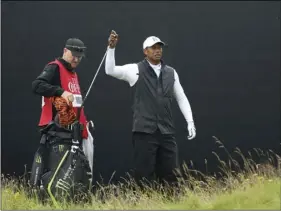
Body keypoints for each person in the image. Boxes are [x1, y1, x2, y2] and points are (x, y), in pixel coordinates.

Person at [105, 30, 196, 189]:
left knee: (171, 174)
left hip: (166, 132)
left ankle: (170, 204)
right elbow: (110, 70)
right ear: (145, 51)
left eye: (159, 47)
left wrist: (190, 121)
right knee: (144, 174)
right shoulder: (135, 69)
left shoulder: (171, 72)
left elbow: (181, 97)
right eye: (153, 47)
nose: (158, 50)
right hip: (144, 132)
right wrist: (111, 49)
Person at [30, 38, 94, 204]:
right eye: (74, 55)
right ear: (65, 51)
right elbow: (37, 85)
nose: (77, 59)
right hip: (56, 131)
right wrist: (60, 92)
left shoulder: (74, 74)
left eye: (80, 57)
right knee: (57, 173)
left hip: (73, 132)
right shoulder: (54, 67)